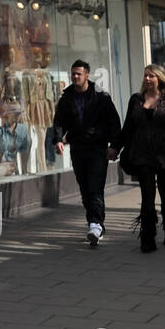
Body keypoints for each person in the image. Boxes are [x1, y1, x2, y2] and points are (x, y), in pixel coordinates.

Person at [118, 65, 165, 252]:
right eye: (145, 76)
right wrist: (114, 147)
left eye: (151, 76)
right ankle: (148, 237)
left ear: (160, 78)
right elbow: (128, 128)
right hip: (142, 154)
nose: (148, 79)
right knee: (147, 196)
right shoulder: (135, 100)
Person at [53, 59, 121, 247]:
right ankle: (95, 223)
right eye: (73, 73)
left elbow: (114, 122)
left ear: (87, 75)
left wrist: (114, 145)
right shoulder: (67, 98)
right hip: (77, 149)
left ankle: (95, 224)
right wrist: (58, 140)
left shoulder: (100, 96)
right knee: (84, 189)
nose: (75, 77)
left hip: (98, 148)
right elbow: (59, 121)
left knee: (95, 187)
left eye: (78, 74)